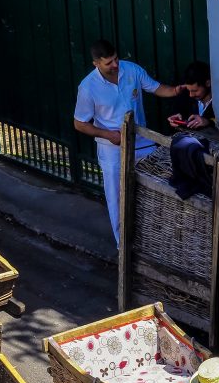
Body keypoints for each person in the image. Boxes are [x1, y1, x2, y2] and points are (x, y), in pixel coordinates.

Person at [73, 39, 183, 245]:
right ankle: (122, 245)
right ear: (96, 63)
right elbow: (79, 124)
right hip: (111, 150)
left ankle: (155, 239)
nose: (115, 65)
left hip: (142, 141)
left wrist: (176, 90)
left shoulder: (131, 69)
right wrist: (109, 135)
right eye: (108, 63)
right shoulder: (87, 88)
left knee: (156, 186)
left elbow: (157, 88)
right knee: (117, 199)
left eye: (116, 59)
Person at [168, 61, 214, 130]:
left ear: (208, 83)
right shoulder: (185, 97)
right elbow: (178, 113)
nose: (191, 95)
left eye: (195, 91)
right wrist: (175, 118)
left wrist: (208, 122)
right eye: (188, 90)